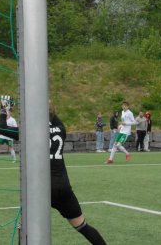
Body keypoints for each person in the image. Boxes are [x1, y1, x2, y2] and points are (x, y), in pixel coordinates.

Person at [49, 103, 107, 244]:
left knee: (25, 227)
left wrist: (4, 110)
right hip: (63, 187)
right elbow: (53, 117)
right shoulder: (61, 129)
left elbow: (3, 128)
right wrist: (49, 108)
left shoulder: (31, 132)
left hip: (42, 189)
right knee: (83, 227)